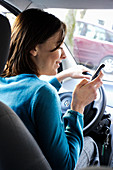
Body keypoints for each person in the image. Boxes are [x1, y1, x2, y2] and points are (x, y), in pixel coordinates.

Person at [0, 8, 103, 170]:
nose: (63, 56)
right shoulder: (43, 93)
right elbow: (66, 166)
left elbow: (27, 93)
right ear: (34, 48)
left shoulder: (3, 83)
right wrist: (78, 107)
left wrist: (63, 75)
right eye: (59, 46)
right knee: (90, 144)